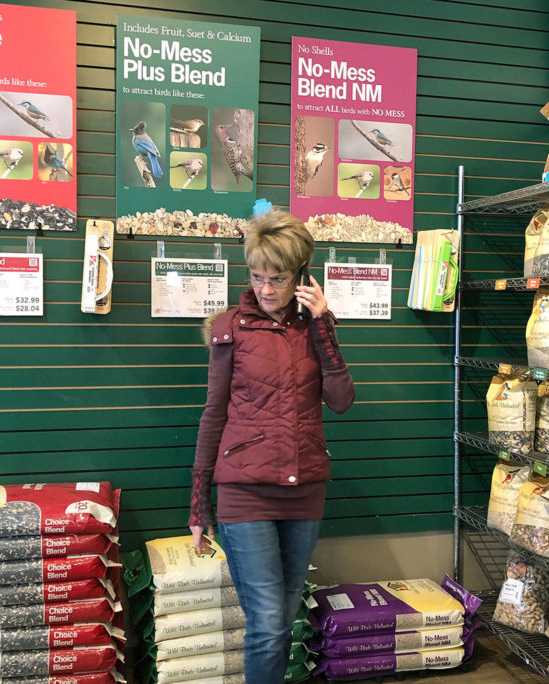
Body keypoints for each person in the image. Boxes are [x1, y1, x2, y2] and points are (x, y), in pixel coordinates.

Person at [188, 210, 354, 683]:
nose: (265, 289)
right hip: (245, 492)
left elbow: (341, 401)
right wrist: (199, 506)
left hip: (305, 492)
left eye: (278, 279)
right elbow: (213, 415)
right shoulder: (229, 329)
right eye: (257, 277)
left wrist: (322, 325)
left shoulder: (316, 328)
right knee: (267, 625)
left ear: (301, 276)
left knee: (283, 622)